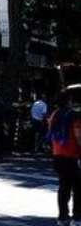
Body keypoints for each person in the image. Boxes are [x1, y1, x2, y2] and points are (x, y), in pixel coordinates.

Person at [48, 91, 81, 226]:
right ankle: (77, 218)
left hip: (58, 154)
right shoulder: (75, 116)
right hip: (73, 155)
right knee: (78, 188)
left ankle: (62, 217)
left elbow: (50, 132)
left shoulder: (54, 114)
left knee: (63, 187)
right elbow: (78, 135)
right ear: (69, 101)